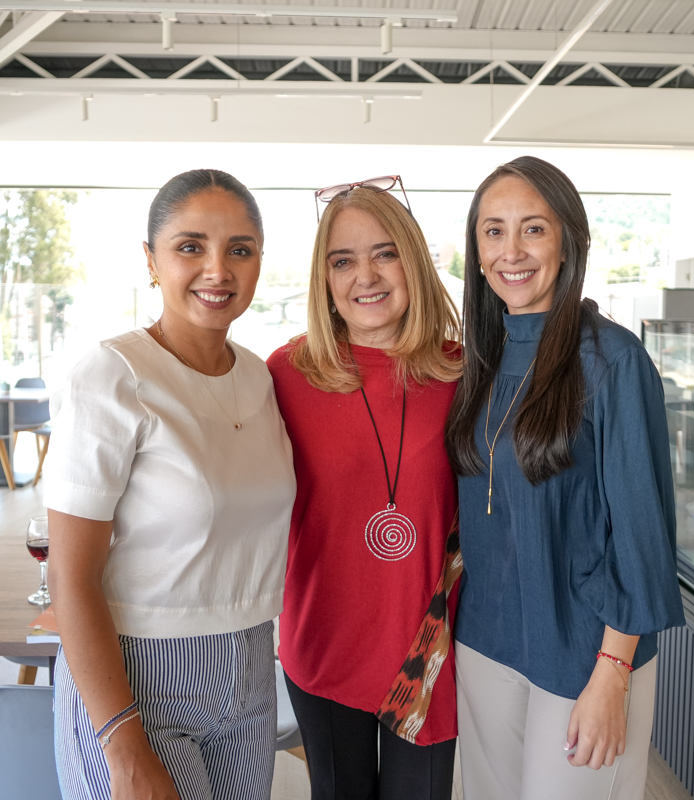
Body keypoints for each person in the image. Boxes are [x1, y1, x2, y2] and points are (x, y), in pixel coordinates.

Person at [44, 169, 296, 800]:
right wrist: (123, 744)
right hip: (135, 678)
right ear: (151, 261)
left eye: (240, 249)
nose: (218, 270)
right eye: (190, 247)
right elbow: (70, 578)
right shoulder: (112, 374)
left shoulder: (262, 378)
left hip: (250, 667)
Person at [445, 156, 685, 800]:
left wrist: (613, 672)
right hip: (486, 641)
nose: (512, 251)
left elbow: (641, 534)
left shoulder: (612, 360)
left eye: (534, 228)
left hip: (584, 650)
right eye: (493, 231)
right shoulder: (479, 360)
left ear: (569, 240)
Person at [266, 178, 462, 800]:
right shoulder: (286, 374)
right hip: (324, 638)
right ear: (324, 279)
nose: (366, 276)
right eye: (343, 261)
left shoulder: (462, 372)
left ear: (414, 261)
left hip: (427, 646)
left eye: (385, 253)